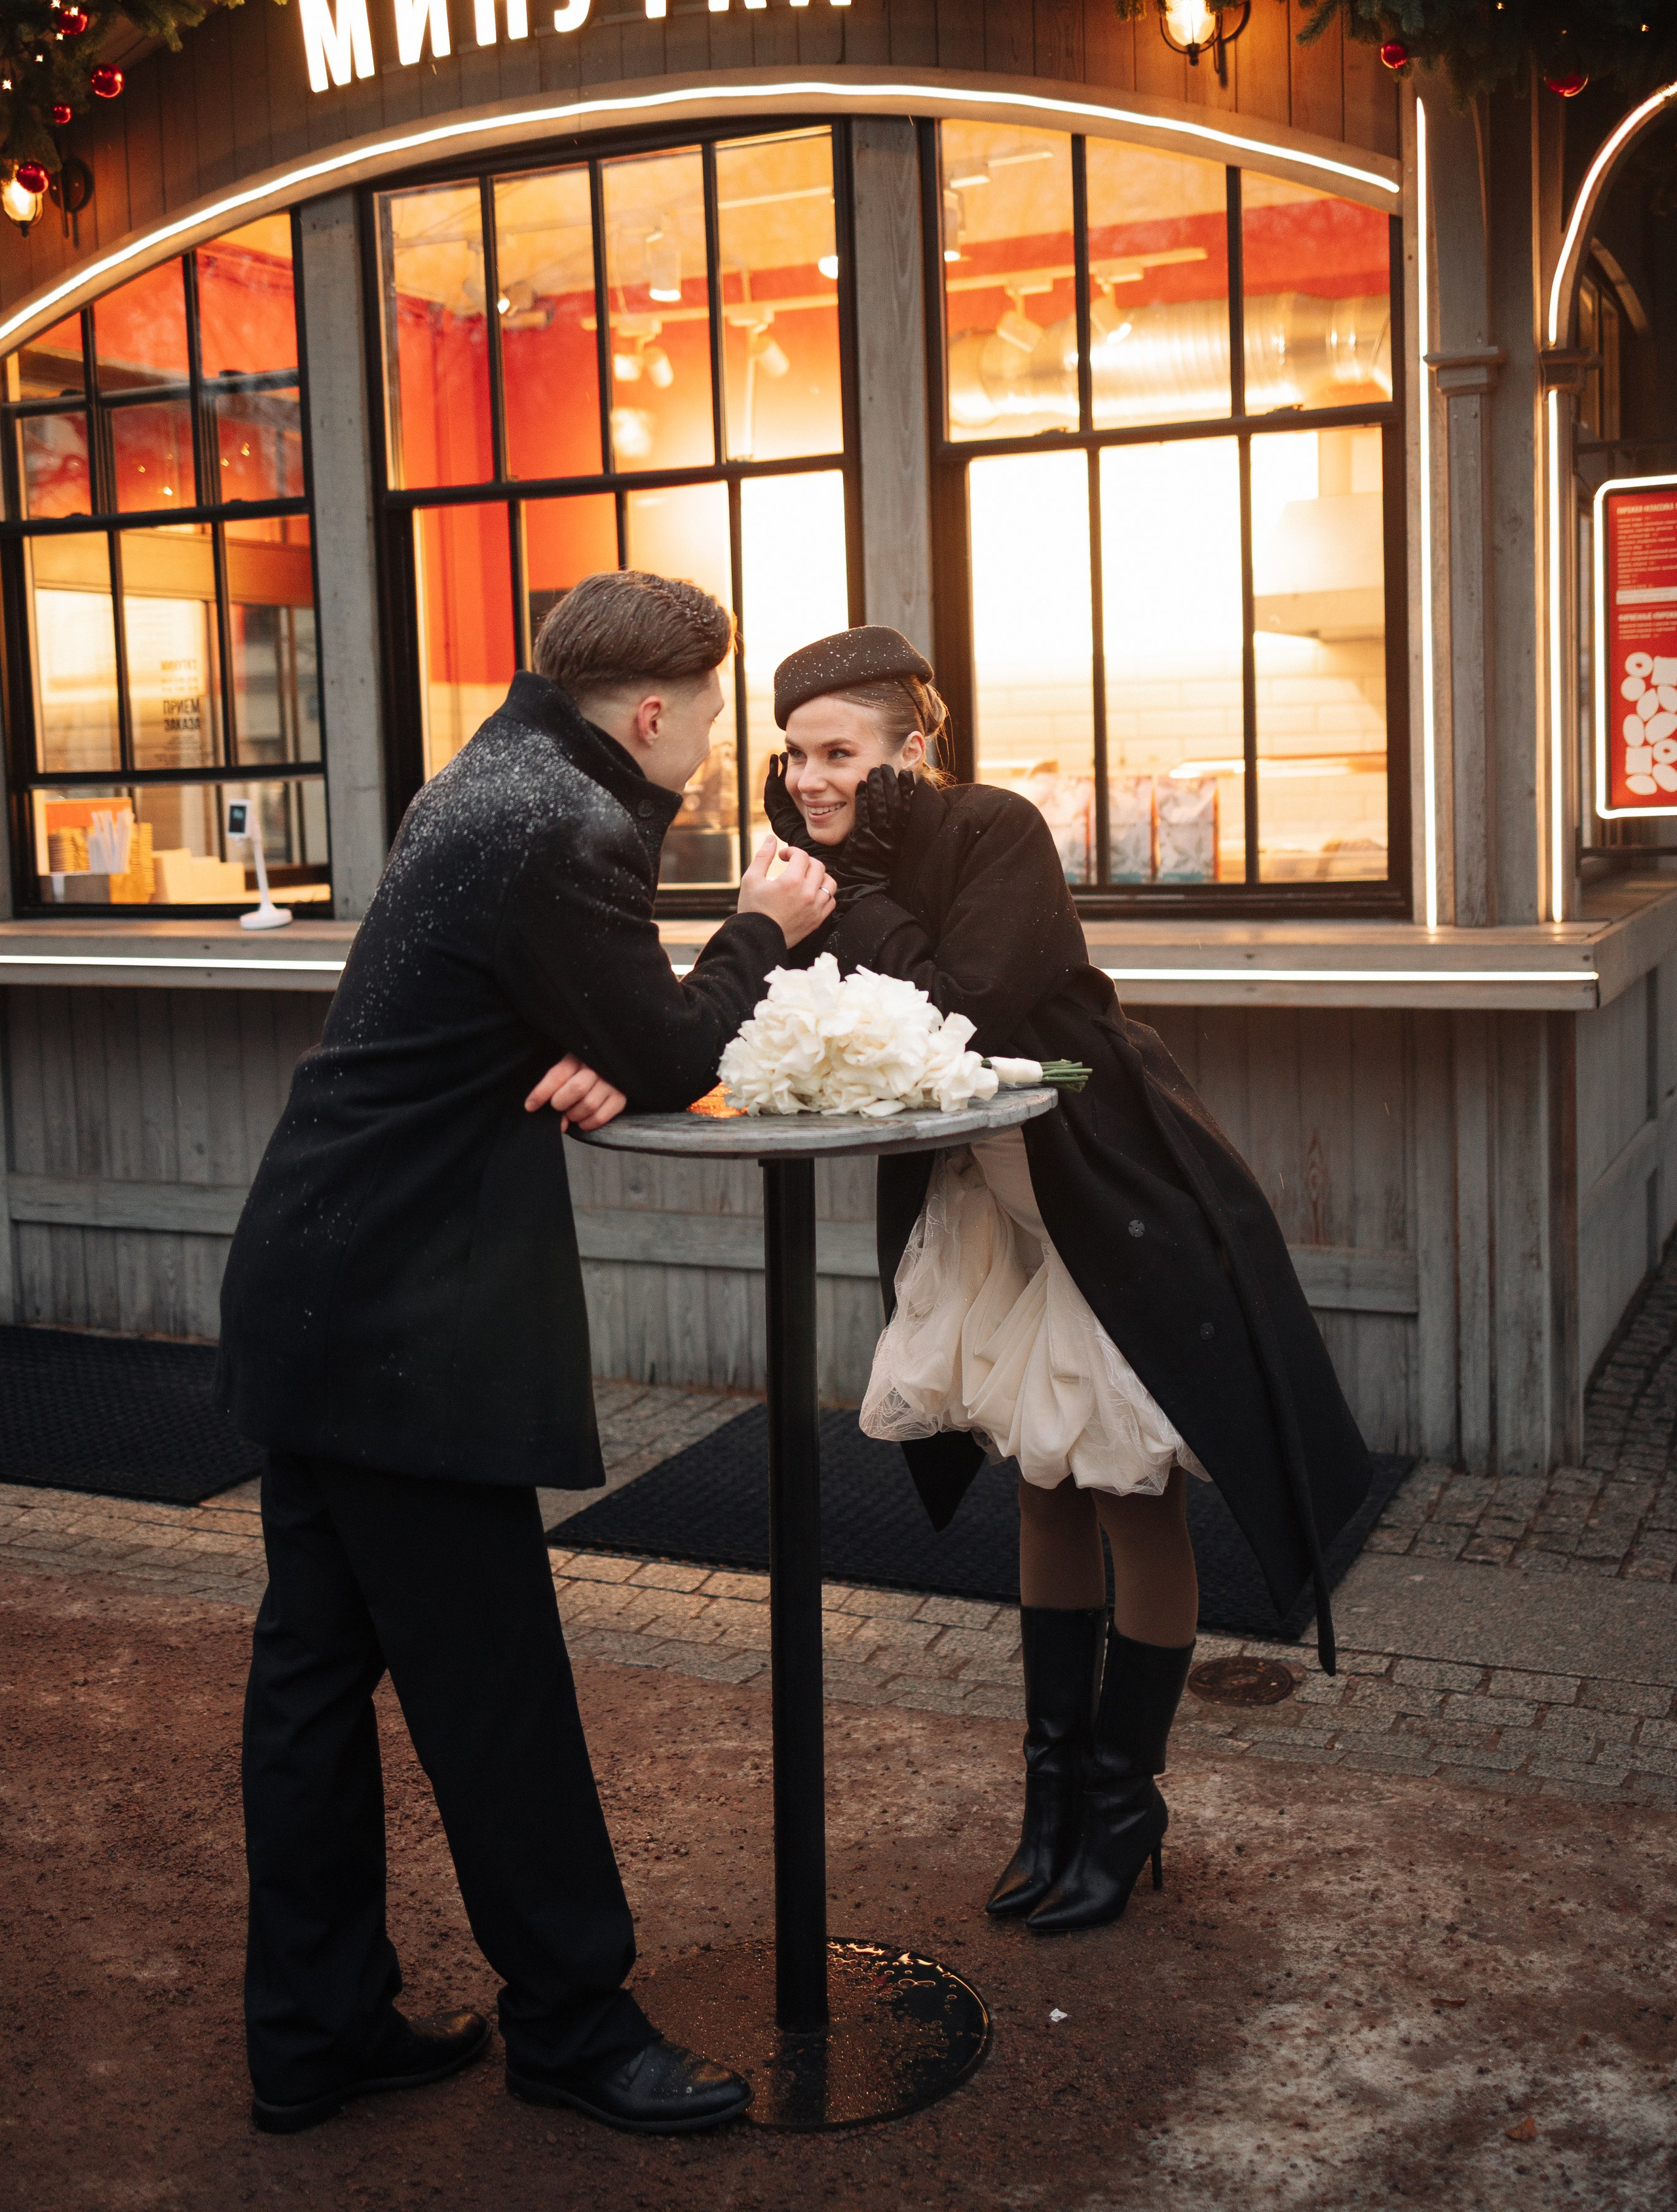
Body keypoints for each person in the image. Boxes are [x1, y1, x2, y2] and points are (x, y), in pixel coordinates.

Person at [216, 570, 834, 2137]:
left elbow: (589, 1023)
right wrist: (759, 926)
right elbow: (676, 1051)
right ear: (648, 711)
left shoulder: (487, 781)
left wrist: (594, 1028)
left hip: (315, 1278)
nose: (714, 738)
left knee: (311, 1677)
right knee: (491, 1688)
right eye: (708, 710)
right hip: (404, 1322)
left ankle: (316, 2030)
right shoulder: (561, 828)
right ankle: (570, 2025)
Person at [764, 624, 1371, 1936]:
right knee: (1039, 1484)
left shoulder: (992, 828)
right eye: (795, 753)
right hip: (994, 1202)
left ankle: (1122, 1795)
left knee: (1126, 1494)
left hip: (1104, 1181)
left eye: (840, 751)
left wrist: (846, 886)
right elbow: (813, 1011)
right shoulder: (830, 856)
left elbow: (961, 1008)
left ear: (910, 746)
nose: (811, 776)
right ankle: (1049, 1802)